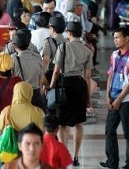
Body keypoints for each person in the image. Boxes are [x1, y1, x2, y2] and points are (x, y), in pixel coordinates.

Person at [49, 22, 93, 166]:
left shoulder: (63, 47)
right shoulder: (87, 50)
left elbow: (56, 71)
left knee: (62, 124)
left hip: (64, 86)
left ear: (68, 33)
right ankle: (75, 156)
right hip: (80, 86)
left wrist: (51, 87)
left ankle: (64, 153)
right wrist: (88, 97)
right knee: (79, 123)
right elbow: (87, 77)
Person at [100, 27, 129, 169]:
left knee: (128, 132)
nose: (115, 40)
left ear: (127, 38)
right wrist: (107, 96)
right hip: (113, 97)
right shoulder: (114, 55)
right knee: (109, 130)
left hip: (126, 100)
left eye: (118, 37)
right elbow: (110, 75)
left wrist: (119, 99)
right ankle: (112, 162)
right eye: (114, 37)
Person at [11, 29, 46, 110]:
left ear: (14, 46)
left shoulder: (14, 60)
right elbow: (41, 78)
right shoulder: (37, 58)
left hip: (22, 95)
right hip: (36, 95)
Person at [42, 17, 67, 83]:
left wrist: (42, 77)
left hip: (52, 75)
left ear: (52, 29)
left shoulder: (49, 41)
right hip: (66, 76)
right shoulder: (68, 41)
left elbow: (46, 61)